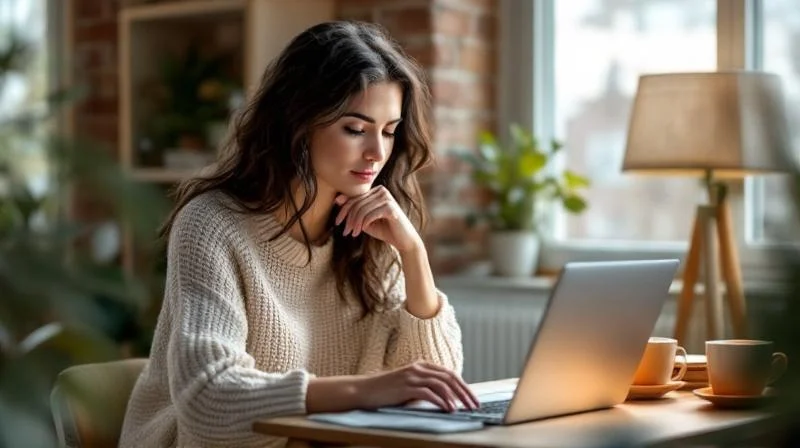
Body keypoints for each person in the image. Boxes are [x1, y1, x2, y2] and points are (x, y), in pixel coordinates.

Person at [119, 20, 480, 448]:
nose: (377, 153)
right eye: (355, 129)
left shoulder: (371, 234)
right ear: (298, 122)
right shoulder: (211, 224)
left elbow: (436, 391)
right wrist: (366, 390)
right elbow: (209, 402)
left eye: (388, 131)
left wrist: (413, 256)